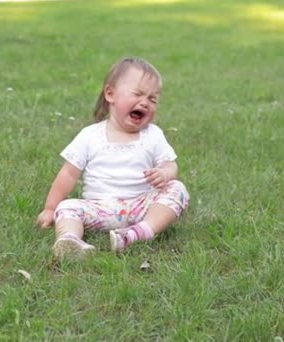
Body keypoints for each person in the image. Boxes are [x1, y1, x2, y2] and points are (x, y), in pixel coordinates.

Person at [35, 57, 190, 260]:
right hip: (100, 209)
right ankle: (69, 240)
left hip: (142, 207)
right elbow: (68, 174)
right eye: (138, 94)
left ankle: (139, 232)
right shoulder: (90, 136)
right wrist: (50, 208)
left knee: (177, 189)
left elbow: (170, 164)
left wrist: (164, 173)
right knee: (67, 207)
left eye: (152, 99)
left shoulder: (153, 134)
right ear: (111, 94)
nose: (145, 102)